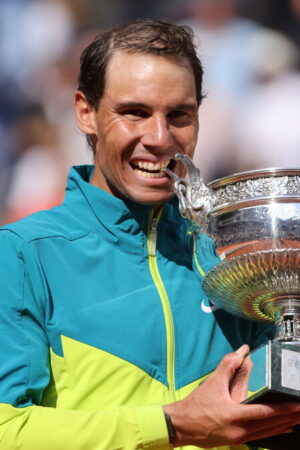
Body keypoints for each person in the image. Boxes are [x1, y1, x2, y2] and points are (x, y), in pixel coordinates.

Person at [1, 19, 300, 450]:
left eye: (179, 115)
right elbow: (5, 430)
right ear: (86, 112)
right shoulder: (22, 255)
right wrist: (171, 425)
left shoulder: (233, 255)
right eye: (135, 113)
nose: (160, 138)